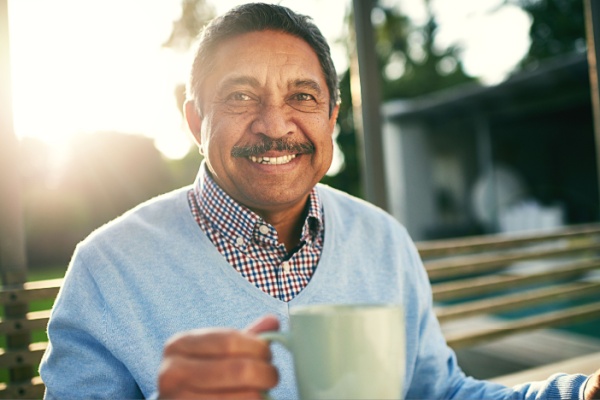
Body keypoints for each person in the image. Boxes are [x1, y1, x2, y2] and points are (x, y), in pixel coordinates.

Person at [39, 3, 599, 399]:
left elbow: (439, 392)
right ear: (195, 120)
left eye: (302, 97)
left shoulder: (383, 238)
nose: (275, 124)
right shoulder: (105, 269)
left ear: (332, 117)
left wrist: (578, 395)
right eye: (240, 97)